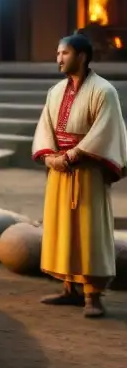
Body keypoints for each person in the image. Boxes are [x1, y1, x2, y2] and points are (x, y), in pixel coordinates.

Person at [31, 33, 126, 319]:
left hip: (87, 173)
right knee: (62, 228)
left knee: (89, 230)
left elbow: (106, 130)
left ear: (82, 56)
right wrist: (50, 156)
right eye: (58, 53)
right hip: (60, 173)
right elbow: (46, 126)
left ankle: (92, 295)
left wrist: (73, 155)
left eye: (64, 53)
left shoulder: (104, 91)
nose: (58, 59)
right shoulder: (55, 91)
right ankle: (69, 289)